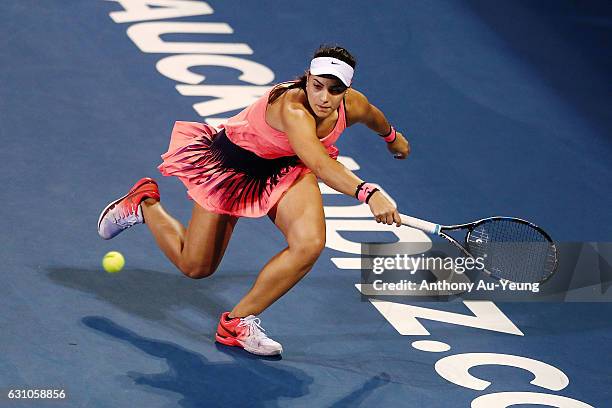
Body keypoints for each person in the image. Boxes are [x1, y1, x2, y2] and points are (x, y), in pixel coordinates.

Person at [97, 45, 410, 356]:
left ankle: (236, 323)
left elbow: (373, 116)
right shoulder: (292, 108)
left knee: (309, 244)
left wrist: (392, 137)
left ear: (347, 90)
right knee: (195, 267)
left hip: (284, 169)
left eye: (335, 89)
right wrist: (369, 193)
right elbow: (320, 163)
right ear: (307, 79)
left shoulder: (352, 105)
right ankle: (145, 203)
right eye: (317, 86)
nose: (324, 98)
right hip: (233, 169)